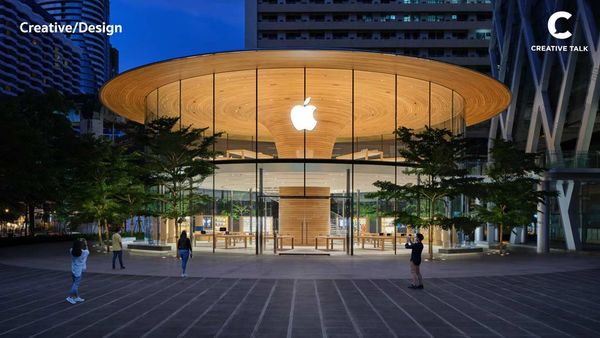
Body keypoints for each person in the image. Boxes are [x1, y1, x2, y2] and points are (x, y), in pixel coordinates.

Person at [66, 238, 89, 304]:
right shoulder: (84, 252)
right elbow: (87, 250)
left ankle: (76, 297)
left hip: (73, 270)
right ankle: (70, 297)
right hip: (78, 271)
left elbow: (73, 248)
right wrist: (86, 244)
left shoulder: (71, 250)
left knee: (74, 284)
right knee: (75, 285)